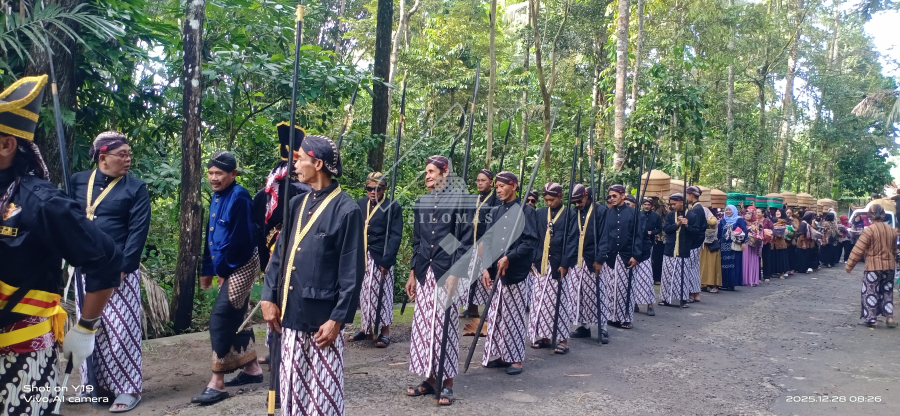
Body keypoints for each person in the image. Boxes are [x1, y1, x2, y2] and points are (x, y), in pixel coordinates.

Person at [0, 75, 123, 416]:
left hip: (21, 354)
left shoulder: (41, 202)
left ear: (6, 145)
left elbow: (106, 258)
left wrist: (86, 328)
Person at [260, 135, 363, 415]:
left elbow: (352, 271)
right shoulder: (296, 204)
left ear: (317, 164)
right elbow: (279, 256)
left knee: (322, 400)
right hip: (290, 315)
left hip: (322, 323)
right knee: (292, 393)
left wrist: (337, 319)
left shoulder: (347, 210)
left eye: (300, 160)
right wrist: (268, 296)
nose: (295, 166)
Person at [71, 131, 151, 412]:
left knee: (121, 329)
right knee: (90, 327)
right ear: (103, 157)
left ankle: (128, 388)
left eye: (129, 154)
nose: (128, 159)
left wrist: (123, 268)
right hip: (85, 268)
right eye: (122, 154)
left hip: (118, 270)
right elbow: (67, 219)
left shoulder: (135, 188)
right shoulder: (78, 181)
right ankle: (95, 385)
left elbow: (138, 232)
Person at [192, 151, 263, 405]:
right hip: (226, 264)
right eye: (210, 173)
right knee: (238, 313)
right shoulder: (216, 195)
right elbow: (211, 235)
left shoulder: (240, 197)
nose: (213, 178)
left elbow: (242, 242)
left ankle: (217, 383)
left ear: (233, 174)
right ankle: (252, 368)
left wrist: (223, 271)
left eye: (219, 173)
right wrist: (207, 270)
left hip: (242, 262)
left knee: (221, 317)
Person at [405, 155, 473, 406]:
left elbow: (463, 240)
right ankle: (430, 378)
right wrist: (413, 272)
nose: (427, 176)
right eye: (426, 172)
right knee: (425, 327)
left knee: (445, 326)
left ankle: (447, 383)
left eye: (432, 171)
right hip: (425, 270)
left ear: (445, 173)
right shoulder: (422, 202)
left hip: (447, 272)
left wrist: (456, 271)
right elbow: (417, 241)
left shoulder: (460, 200)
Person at [252, 123, 311, 366]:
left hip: (297, 250)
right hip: (274, 248)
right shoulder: (269, 191)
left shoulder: (305, 191)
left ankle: (291, 346)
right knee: (275, 293)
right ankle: (275, 344)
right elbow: (260, 225)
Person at [479, 172, 538, 375]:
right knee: (497, 316)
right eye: (497, 187)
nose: (499, 190)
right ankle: (502, 355)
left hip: (515, 272)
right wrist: (485, 267)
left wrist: (510, 257)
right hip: (496, 271)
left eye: (503, 186)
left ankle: (515, 359)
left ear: (513, 186)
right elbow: (487, 241)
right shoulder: (496, 211)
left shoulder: (526, 211)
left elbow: (529, 242)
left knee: (513, 316)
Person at [350, 172, 401, 347]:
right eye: (369, 188)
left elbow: (395, 236)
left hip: (381, 256)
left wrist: (387, 260)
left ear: (384, 189)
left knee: (382, 293)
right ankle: (366, 329)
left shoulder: (392, 206)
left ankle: (384, 332)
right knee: (365, 294)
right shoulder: (360, 204)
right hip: (363, 256)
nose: (373, 192)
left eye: (377, 189)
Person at [528, 183, 577, 353]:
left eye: (552, 199)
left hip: (558, 264)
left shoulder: (570, 214)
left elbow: (571, 240)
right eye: (546, 199)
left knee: (559, 302)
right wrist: (533, 258)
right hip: (541, 263)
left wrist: (565, 263)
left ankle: (562, 340)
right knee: (540, 302)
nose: (549, 202)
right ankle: (545, 336)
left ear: (560, 196)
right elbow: (535, 236)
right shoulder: (541, 213)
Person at [846, 204, 897, 328]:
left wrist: (850, 265)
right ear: (883, 214)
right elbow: (894, 250)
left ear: (870, 215)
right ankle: (889, 318)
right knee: (887, 291)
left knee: (870, 291)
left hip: (873, 267)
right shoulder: (891, 230)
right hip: (889, 267)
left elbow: (858, 249)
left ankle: (871, 319)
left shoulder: (869, 230)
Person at [568, 184, 608, 341]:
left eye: (579, 201)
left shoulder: (600, 211)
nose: (577, 204)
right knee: (578, 294)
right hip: (576, 260)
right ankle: (584, 327)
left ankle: (603, 328)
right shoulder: (573, 212)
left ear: (586, 196)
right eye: (574, 202)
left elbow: (605, 236)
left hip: (593, 259)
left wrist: (600, 259)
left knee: (597, 294)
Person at [599, 184, 641, 329]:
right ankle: (612, 316)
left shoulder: (633, 213)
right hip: (610, 256)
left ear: (623, 195)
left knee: (625, 287)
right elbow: (604, 234)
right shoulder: (607, 213)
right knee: (610, 287)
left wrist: (635, 255)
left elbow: (638, 235)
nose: (611, 198)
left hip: (626, 255)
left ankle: (626, 317)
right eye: (610, 196)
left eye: (614, 196)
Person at [461, 169, 499, 321]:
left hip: (486, 244)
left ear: (491, 182)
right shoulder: (473, 199)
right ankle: (472, 309)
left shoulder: (496, 200)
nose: (480, 183)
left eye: (483, 180)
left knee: (486, 276)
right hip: (471, 243)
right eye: (478, 180)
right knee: (471, 278)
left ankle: (490, 310)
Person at [659, 193, 697, 307]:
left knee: (682, 276)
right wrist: (677, 224)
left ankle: (683, 299)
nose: (672, 206)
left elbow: (696, 232)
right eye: (671, 204)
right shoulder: (670, 215)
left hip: (683, 249)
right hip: (670, 249)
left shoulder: (691, 215)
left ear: (681, 202)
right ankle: (665, 299)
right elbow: (666, 229)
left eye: (674, 204)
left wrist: (687, 225)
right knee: (667, 276)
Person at [634, 197, 660, 315]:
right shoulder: (635, 215)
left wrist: (651, 233)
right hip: (631, 252)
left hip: (645, 249)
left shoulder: (652, 216)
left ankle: (650, 304)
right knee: (633, 279)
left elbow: (658, 229)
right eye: (644, 204)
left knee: (646, 278)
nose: (646, 206)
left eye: (648, 204)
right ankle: (634, 303)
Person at [685, 186, 706, 302]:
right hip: (697, 242)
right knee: (694, 267)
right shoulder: (698, 208)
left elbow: (696, 229)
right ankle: (695, 292)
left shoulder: (697, 209)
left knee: (690, 268)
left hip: (694, 242)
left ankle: (692, 293)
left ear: (691, 195)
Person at [718, 205, 745, 291]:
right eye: (727, 210)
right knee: (724, 264)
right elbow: (719, 233)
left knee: (734, 264)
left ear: (734, 211)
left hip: (735, 245)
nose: (728, 212)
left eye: (730, 210)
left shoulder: (739, 220)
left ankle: (732, 283)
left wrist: (744, 242)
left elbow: (744, 231)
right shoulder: (722, 221)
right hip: (724, 246)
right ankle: (724, 283)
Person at [742, 208, 762, 286]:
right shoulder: (742, 223)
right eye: (746, 213)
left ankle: (752, 280)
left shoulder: (757, 224)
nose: (747, 215)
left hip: (753, 246)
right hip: (745, 245)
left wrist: (760, 248)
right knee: (745, 262)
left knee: (753, 262)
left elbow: (761, 236)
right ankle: (744, 280)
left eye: (749, 213)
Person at [769, 209, 791, 279]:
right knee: (773, 257)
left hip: (780, 242)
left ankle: (782, 272)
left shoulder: (784, 221)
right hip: (772, 242)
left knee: (781, 258)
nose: (777, 213)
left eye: (779, 211)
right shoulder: (771, 220)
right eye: (777, 211)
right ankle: (773, 271)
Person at [651, 197, 667, 285]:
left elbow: (668, 211)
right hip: (649, 237)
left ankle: (657, 278)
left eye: (655, 199)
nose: (653, 201)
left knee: (658, 258)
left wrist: (662, 200)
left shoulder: (662, 208)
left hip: (660, 237)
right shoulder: (648, 208)